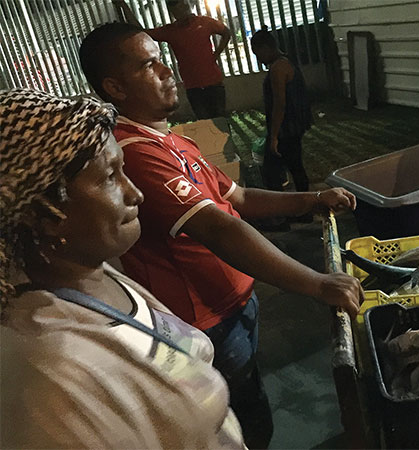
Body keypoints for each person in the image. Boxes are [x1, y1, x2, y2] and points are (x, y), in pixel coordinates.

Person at [79, 23, 363, 449]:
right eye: (148, 64)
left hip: (236, 303)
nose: (167, 69)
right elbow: (219, 227)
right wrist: (317, 283)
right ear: (114, 87)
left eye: (161, 58)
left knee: (251, 399)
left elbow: (240, 197)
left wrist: (312, 198)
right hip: (206, 323)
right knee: (240, 423)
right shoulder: (135, 154)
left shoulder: (173, 141)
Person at [0, 88, 245, 449]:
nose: (135, 194)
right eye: (109, 178)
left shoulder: (94, 275)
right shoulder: (57, 379)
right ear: (43, 214)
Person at [112, 0, 231, 119]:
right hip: (193, 87)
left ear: (187, 5)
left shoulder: (205, 22)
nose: (179, 8)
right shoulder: (171, 31)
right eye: (173, 5)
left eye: (179, 4)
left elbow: (226, 32)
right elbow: (142, 32)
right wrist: (124, 6)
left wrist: (216, 54)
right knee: (206, 124)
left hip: (213, 83)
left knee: (220, 121)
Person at [251, 26, 313, 212]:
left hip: (287, 128)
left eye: (258, 53)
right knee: (295, 167)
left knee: (272, 172)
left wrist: (274, 136)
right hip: (294, 126)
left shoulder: (279, 68)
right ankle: (303, 211)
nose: (259, 59)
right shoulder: (287, 61)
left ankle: (281, 214)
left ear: (266, 48)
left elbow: (280, 104)